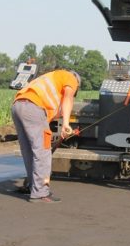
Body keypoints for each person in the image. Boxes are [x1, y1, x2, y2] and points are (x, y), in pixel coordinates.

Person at [11, 70, 80, 203]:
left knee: (29, 151)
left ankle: (34, 186)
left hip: (18, 105)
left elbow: (52, 110)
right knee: (43, 151)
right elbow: (68, 98)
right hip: (33, 108)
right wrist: (66, 123)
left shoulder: (51, 77)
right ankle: (41, 192)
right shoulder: (71, 78)